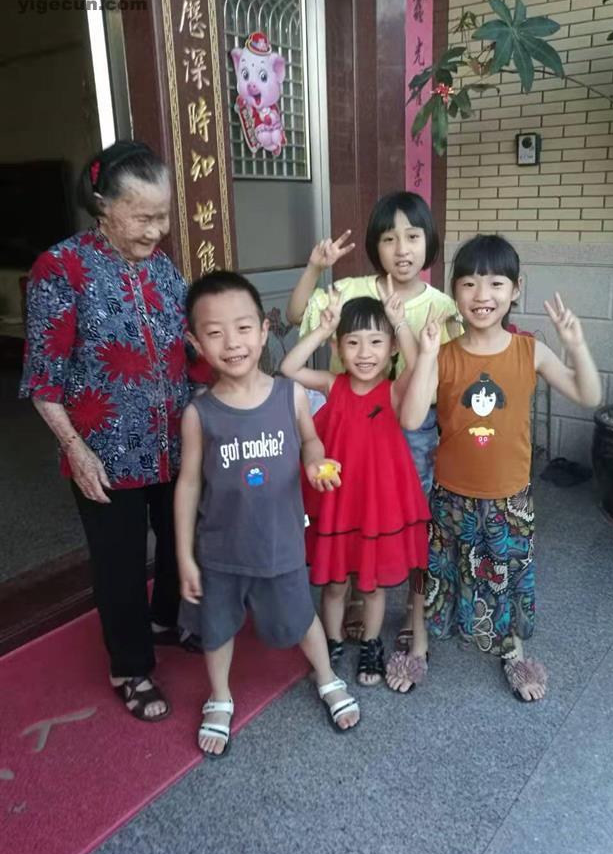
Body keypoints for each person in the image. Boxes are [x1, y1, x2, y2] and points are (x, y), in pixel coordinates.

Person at [20, 140, 206, 721]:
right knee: (119, 562)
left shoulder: (162, 267)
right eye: (144, 216)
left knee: (179, 538)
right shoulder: (61, 269)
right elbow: (44, 381)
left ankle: (166, 619)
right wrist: (75, 450)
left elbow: (187, 344)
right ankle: (130, 665)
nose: (158, 230)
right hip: (105, 450)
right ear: (103, 206)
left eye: (163, 216)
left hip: (172, 440)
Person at [401, 234, 602, 702]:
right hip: (451, 494)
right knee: (436, 571)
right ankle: (419, 646)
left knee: (508, 574)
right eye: (469, 283)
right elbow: (410, 418)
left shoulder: (529, 352)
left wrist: (576, 344)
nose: (482, 295)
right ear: (455, 291)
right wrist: (426, 355)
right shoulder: (445, 355)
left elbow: (588, 395)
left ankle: (513, 652)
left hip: (510, 496)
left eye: (495, 283)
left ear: (515, 289)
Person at [175, 271, 360, 758]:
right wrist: (185, 556)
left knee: (300, 616)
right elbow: (188, 484)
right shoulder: (199, 415)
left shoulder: (289, 394)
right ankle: (219, 696)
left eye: (242, 328)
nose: (232, 343)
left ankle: (326, 676)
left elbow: (310, 439)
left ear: (263, 331)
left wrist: (315, 462)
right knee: (216, 627)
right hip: (220, 550)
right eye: (215, 333)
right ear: (196, 343)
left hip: (280, 542)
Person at [286, 190, 461, 649]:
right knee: (355, 513)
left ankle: (415, 615)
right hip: (349, 420)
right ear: (374, 245)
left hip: (413, 426)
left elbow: (441, 375)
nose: (402, 249)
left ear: (429, 241)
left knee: (410, 522)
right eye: (389, 238)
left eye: (412, 236)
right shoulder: (350, 290)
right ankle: (356, 602)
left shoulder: (442, 306)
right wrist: (315, 269)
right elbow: (296, 315)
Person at [280, 281, 430, 693]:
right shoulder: (334, 384)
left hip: (377, 504)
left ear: (392, 349)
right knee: (335, 584)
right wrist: (321, 329)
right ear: (339, 348)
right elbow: (289, 368)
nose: (365, 353)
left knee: (374, 585)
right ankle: (330, 644)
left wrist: (401, 323)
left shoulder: (394, 391)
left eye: (376, 342)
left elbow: (417, 368)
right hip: (338, 501)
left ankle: (370, 645)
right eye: (353, 342)